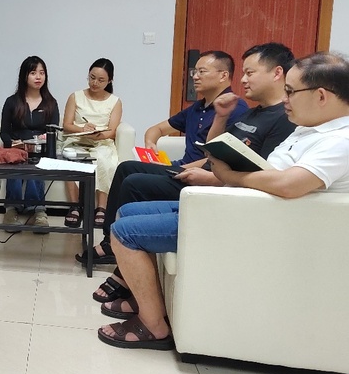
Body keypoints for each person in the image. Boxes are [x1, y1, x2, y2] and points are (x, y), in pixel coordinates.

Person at [97, 52, 349, 350]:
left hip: (246, 220)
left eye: (291, 92)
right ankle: (146, 299)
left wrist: (230, 176)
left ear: (321, 96)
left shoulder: (339, 141)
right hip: (232, 205)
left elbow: (289, 184)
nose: (286, 99)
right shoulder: (308, 130)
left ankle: (153, 326)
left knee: (125, 232)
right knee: (128, 211)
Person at [93, 42, 297, 305]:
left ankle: (124, 270)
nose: (243, 80)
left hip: (215, 189)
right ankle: (116, 249)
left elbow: (263, 175)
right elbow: (216, 150)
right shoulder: (252, 113)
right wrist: (220, 119)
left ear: (277, 73)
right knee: (128, 172)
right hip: (207, 177)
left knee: (133, 182)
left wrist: (211, 177)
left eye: (250, 73)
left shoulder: (281, 119)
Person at [79, 50, 248, 270]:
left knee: (133, 182)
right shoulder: (198, 107)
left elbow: (216, 158)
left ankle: (121, 241)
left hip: (199, 176)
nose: (195, 76)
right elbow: (156, 129)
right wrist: (152, 145)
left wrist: (176, 167)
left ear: (223, 75)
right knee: (125, 168)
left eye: (202, 71)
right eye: (194, 71)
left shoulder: (234, 109)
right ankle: (109, 240)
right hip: (179, 169)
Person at [60, 58, 122, 228]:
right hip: (77, 140)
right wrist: (82, 129)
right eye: (92, 77)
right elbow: (67, 125)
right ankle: (75, 206)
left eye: (101, 80)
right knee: (70, 160)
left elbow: (113, 130)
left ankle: (101, 208)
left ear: (109, 81)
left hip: (101, 142)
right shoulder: (75, 96)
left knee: (106, 161)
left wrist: (99, 135)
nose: (95, 83)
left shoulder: (115, 101)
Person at [0, 56, 59, 229]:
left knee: (36, 166)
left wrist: (43, 139)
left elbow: (54, 131)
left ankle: (38, 212)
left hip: (41, 151)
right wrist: (13, 143)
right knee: (15, 165)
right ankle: (11, 210)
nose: (38, 77)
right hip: (17, 149)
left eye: (42, 73)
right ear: (24, 76)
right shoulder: (12, 102)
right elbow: (4, 132)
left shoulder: (51, 103)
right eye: (33, 73)